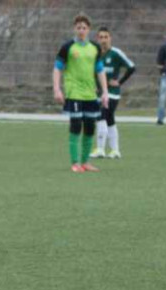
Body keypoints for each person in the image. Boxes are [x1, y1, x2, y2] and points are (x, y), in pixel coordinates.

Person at [52, 14, 109, 173]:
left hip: (90, 94)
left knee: (90, 128)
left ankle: (85, 162)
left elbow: (100, 70)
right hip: (74, 92)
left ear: (89, 29)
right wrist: (57, 89)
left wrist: (105, 92)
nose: (81, 30)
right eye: (79, 27)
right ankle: (75, 163)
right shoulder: (68, 47)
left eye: (84, 28)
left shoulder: (95, 48)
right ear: (74, 29)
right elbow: (57, 68)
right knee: (76, 126)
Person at [90, 27, 135, 160]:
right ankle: (115, 150)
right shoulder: (95, 54)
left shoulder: (116, 53)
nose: (103, 40)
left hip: (112, 94)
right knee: (110, 119)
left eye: (106, 37)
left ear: (110, 38)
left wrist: (120, 82)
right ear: (97, 39)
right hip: (99, 93)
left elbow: (131, 67)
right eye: (101, 37)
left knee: (101, 116)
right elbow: (92, 72)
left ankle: (100, 149)